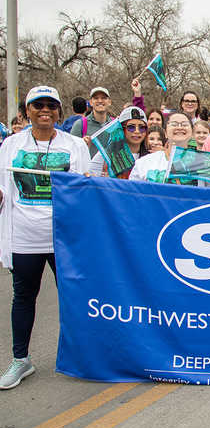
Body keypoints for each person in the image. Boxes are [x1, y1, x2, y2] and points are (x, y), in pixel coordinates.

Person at [0, 86, 91, 389]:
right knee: (24, 297)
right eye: (38, 105)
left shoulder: (75, 145)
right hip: (25, 237)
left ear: (59, 111)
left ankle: (81, 355)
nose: (45, 110)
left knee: (74, 296)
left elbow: (82, 190)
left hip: (64, 237)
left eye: (51, 105)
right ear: (27, 111)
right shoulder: (11, 145)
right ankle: (20, 359)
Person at [89, 107, 149, 178]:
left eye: (142, 128)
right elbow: (91, 178)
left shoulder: (151, 157)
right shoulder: (106, 155)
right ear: (121, 129)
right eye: (131, 127)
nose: (137, 131)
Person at [70, 87, 114, 157]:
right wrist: (82, 145)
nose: (100, 101)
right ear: (90, 102)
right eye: (96, 98)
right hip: (87, 167)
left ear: (109, 102)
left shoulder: (115, 124)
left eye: (104, 98)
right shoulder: (80, 125)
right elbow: (71, 152)